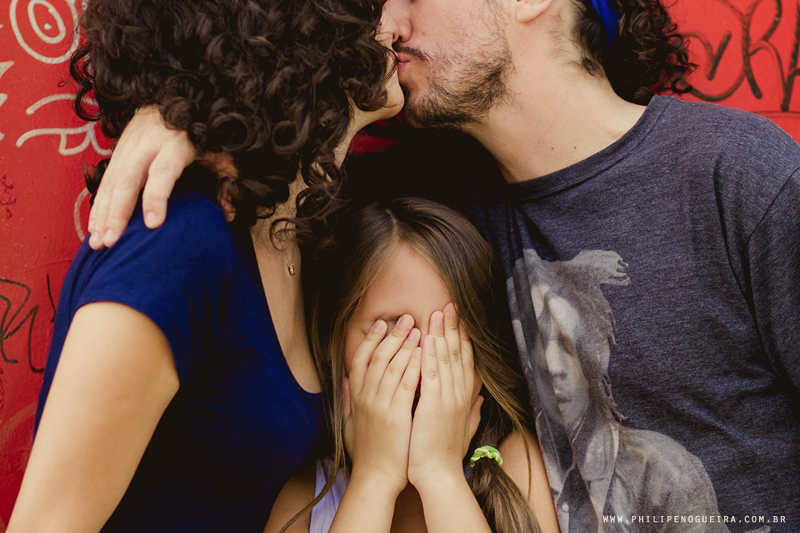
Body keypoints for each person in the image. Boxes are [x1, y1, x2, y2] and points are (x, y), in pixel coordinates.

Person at [80, 0, 800, 530]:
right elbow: (282, 144)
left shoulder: (736, 176)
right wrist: (185, 112)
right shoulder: (425, 202)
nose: (388, 23)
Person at [7, 0, 404, 530]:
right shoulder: (177, 245)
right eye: (373, 5)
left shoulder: (293, 233)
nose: (398, 19)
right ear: (307, 29)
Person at [263, 198, 560, 533]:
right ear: (334, 342)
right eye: (395, 329)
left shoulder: (516, 467)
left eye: (449, 333)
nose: (423, 362)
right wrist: (374, 478)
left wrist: (439, 472)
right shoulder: (305, 499)